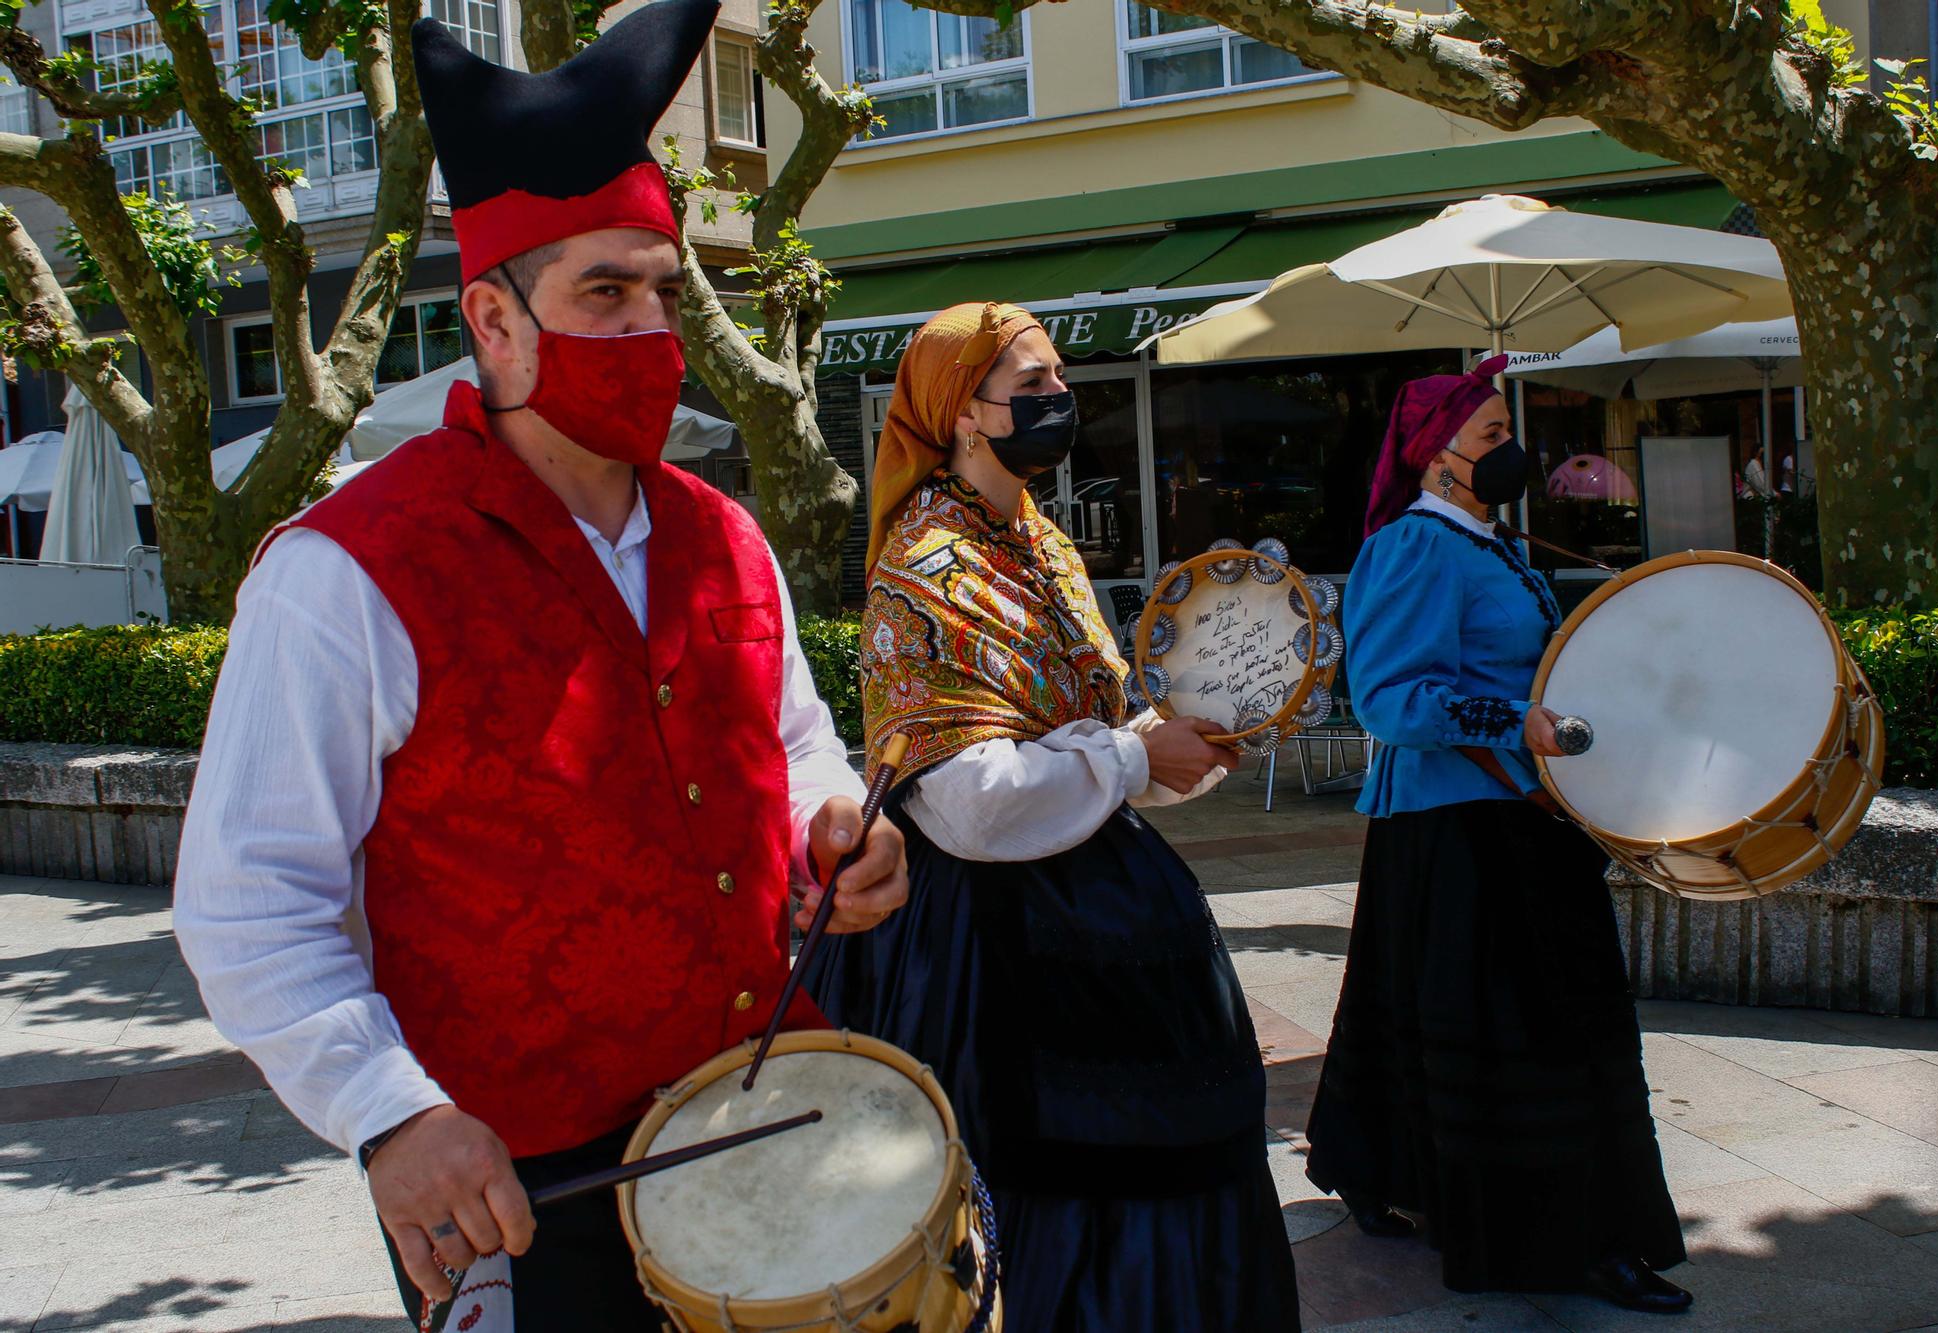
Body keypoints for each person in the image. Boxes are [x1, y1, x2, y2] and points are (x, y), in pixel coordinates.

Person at [173, 5, 906, 1328]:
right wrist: (391, 1115)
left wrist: (830, 820)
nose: (649, 329)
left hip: (760, 1118)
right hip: (517, 1184)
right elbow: (249, 897)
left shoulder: (724, 537)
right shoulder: (348, 571)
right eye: (604, 294)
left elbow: (793, 741)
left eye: (666, 290)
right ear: (494, 322)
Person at [800, 302, 1301, 1332]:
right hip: (992, 952)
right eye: (1026, 386)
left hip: (1099, 909)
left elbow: (1102, 734)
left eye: (1058, 379)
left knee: (1176, 1163)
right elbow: (967, 807)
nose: (1055, 400)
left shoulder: (1040, 542)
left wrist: (1184, 741)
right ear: (963, 414)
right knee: (1041, 1204)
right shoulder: (925, 567)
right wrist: (1127, 755)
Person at [1304, 355, 1691, 1314]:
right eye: (1489, 436)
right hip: (1463, 830)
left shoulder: (1490, 543)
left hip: (1498, 822)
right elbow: (1390, 701)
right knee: (1548, 1031)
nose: (1510, 449)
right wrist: (1512, 721)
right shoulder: (1417, 547)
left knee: (1434, 1017)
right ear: (1437, 458)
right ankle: (1580, 1239)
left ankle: (1384, 1168)